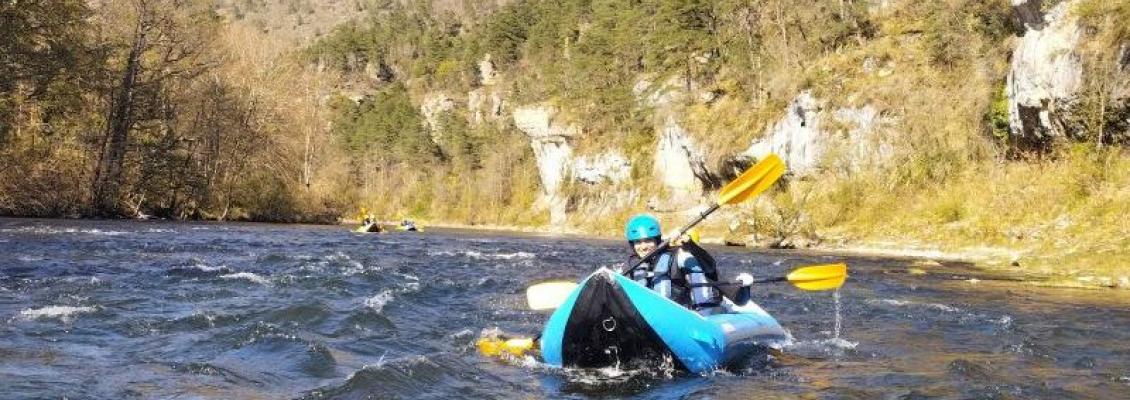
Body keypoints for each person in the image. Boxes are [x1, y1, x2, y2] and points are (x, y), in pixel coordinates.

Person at [621, 214, 752, 315]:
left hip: (681, 318)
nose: (643, 247)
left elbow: (709, 266)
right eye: (638, 242)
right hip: (647, 318)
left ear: (657, 240)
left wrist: (689, 243)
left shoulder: (678, 257)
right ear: (632, 245)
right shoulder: (629, 266)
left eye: (648, 241)